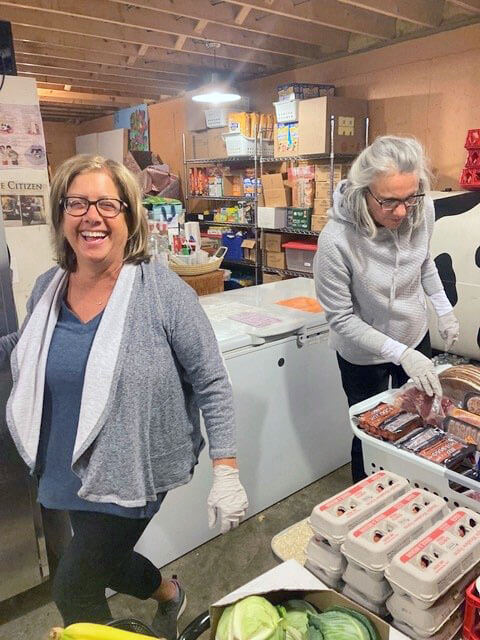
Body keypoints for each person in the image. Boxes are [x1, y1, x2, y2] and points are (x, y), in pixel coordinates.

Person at [1, 154, 248, 637]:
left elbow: (212, 380)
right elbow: (28, 342)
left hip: (134, 465)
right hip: (66, 463)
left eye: (107, 204)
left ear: (129, 217)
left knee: (72, 587)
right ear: (61, 215)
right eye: (77, 203)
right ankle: (170, 595)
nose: (92, 216)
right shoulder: (50, 287)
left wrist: (227, 470)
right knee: (107, 563)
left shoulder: (162, 291)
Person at [314, 136, 459, 482]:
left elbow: (423, 262)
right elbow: (341, 318)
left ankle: (414, 489)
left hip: (414, 335)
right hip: (363, 353)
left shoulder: (420, 209)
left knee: (424, 419)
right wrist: (401, 354)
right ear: (365, 191)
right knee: (372, 429)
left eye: (410, 198)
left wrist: (444, 309)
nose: (401, 211)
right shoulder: (336, 241)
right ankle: (369, 494)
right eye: (389, 202)